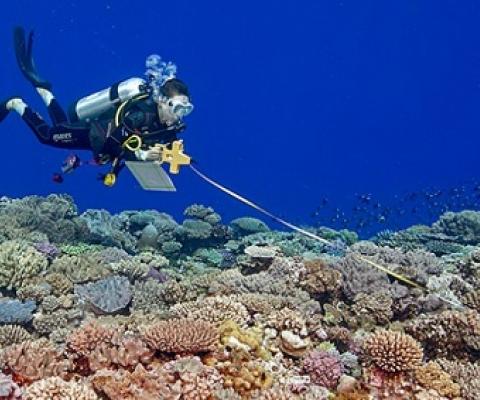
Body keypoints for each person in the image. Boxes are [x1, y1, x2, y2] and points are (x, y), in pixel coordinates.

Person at [0, 27, 194, 185]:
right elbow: (113, 143)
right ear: (162, 100)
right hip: (92, 134)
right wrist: (142, 154)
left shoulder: (167, 128)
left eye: (186, 110)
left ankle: (44, 91)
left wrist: (116, 172)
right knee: (48, 136)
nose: (179, 115)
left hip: (97, 143)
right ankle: (16, 103)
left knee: (62, 126)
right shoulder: (139, 116)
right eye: (176, 108)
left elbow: (134, 148)